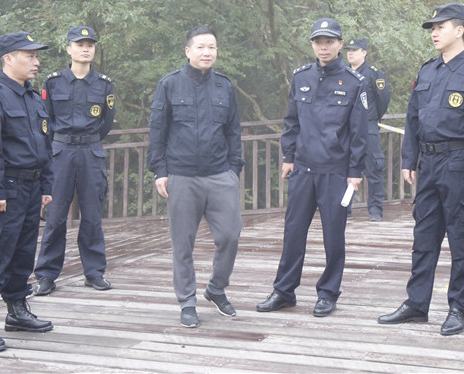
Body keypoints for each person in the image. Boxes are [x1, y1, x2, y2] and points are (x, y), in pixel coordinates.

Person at [378, 3, 464, 336]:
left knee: (461, 237)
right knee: (424, 235)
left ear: (459, 30)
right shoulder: (427, 71)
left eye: (440, 27)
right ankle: (417, 304)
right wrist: (409, 159)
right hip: (429, 163)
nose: (434, 33)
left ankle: (460, 308)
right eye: (432, 28)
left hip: (459, 163)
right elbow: (413, 119)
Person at [256, 18, 368, 317]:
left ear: (340, 44)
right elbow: (292, 121)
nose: (323, 47)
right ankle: (284, 291)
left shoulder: (354, 82)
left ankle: (328, 293)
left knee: (333, 236)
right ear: (312, 45)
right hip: (303, 169)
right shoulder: (301, 77)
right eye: (318, 42)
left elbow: (359, 133)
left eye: (329, 41)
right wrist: (288, 157)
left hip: (335, 171)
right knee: (293, 232)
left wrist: (355, 171)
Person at [147, 25, 244, 328]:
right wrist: (160, 171)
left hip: (220, 175)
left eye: (211, 47)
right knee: (183, 244)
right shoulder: (169, 84)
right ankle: (187, 301)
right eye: (201, 47)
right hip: (182, 175)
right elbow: (158, 130)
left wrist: (234, 169)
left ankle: (216, 289)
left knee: (229, 235)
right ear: (188, 50)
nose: (207, 52)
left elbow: (233, 131)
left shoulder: (225, 86)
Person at [0, 31, 55, 352]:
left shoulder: (33, 97)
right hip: (6, 188)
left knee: (22, 253)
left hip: (32, 188)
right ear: (8, 58)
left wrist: (46, 185)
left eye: (36, 55)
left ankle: (17, 310)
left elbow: (45, 145)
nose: (36, 61)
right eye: (29, 56)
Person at [33, 26, 115, 295]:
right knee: (55, 216)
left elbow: (107, 122)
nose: (85, 49)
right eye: (80, 44)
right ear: (68, 49)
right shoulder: (53, 82)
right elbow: (45, 119)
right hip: (60, 153)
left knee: (92, 216)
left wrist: (89, 140)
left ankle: (94, 273)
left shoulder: (104, 83)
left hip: (91, 152)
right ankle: (46, 275)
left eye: (90, 44)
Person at [343, 38, 391, 221]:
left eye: (354, 50)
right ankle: (344, 208)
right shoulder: (343, 73)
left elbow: (383, 99)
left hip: (368, 126)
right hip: (346, 129)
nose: (350, 53)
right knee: (344, 169)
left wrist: (372, 117)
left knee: (374, 168)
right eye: (349, 50)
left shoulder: (373, 74)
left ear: (364, 52)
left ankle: (375, 209)